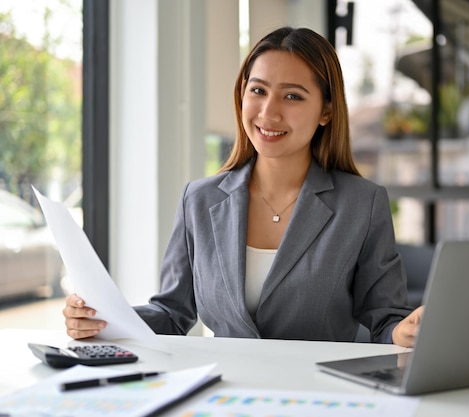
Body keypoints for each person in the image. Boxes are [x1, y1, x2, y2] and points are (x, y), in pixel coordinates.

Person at [63, 26, 423, 347]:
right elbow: (172, 313)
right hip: (225, 394)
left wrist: (404, 331)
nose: (269, 112)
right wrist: (105, 321)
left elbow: (385, 317)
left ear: (326, 111)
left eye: (293, 96)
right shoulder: (199, 200)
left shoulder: (362, 204)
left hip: (319, 394)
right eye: (258, 90)